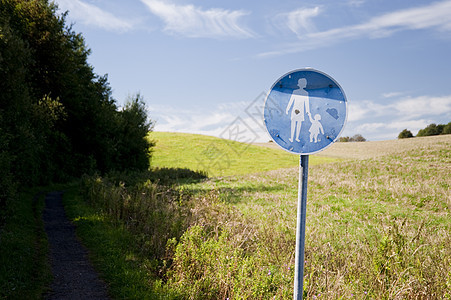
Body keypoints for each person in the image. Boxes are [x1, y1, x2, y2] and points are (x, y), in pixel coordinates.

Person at [286, 78, 310, 142]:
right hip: (295, 110)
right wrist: (287, 108)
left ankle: (296, 137)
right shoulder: (295, 92)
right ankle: (291, 137)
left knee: (299, 124)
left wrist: (308, 111)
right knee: (293, 123)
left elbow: (306, 103)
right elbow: (291, 101)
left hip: (301, 110)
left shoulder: (306, 93)